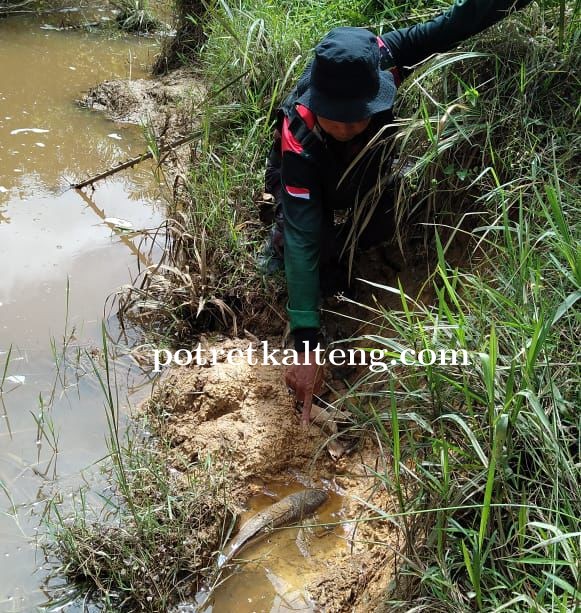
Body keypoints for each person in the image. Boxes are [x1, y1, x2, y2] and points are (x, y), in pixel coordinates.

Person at [263, 0, 531, 424]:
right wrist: (305, 343)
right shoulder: (299, 135)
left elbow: (451, 25)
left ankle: (362, 248)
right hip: (309, 173)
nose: (350, 125)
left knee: (382, 221)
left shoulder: (381, 56)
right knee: (296, 248)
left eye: (358, 116)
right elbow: (302, 236)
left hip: (368, 167)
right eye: (339, 119)